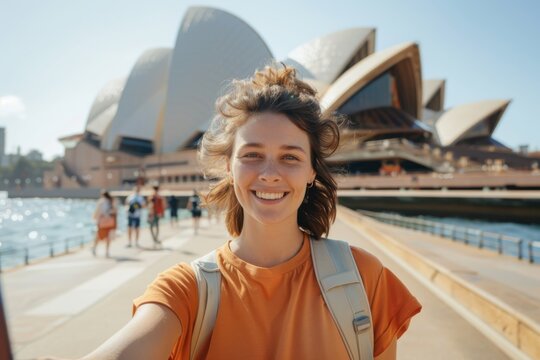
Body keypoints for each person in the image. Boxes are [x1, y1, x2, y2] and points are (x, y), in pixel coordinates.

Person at [75, 66, 421, 359]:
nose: (269, 173)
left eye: (290, 157)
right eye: (252, 154)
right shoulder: (185, 290)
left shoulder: (364, 279)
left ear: (312, 171)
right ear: (229, 166)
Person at [92, 190, 116, 257]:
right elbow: (114, 212)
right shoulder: (111, 202)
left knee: (98, 235)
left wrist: (94, 218)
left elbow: (97, 212)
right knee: (108, 237)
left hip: (102, 222)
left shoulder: (101, 202)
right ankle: (107, 251)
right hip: (109, 222)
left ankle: (94, 248)